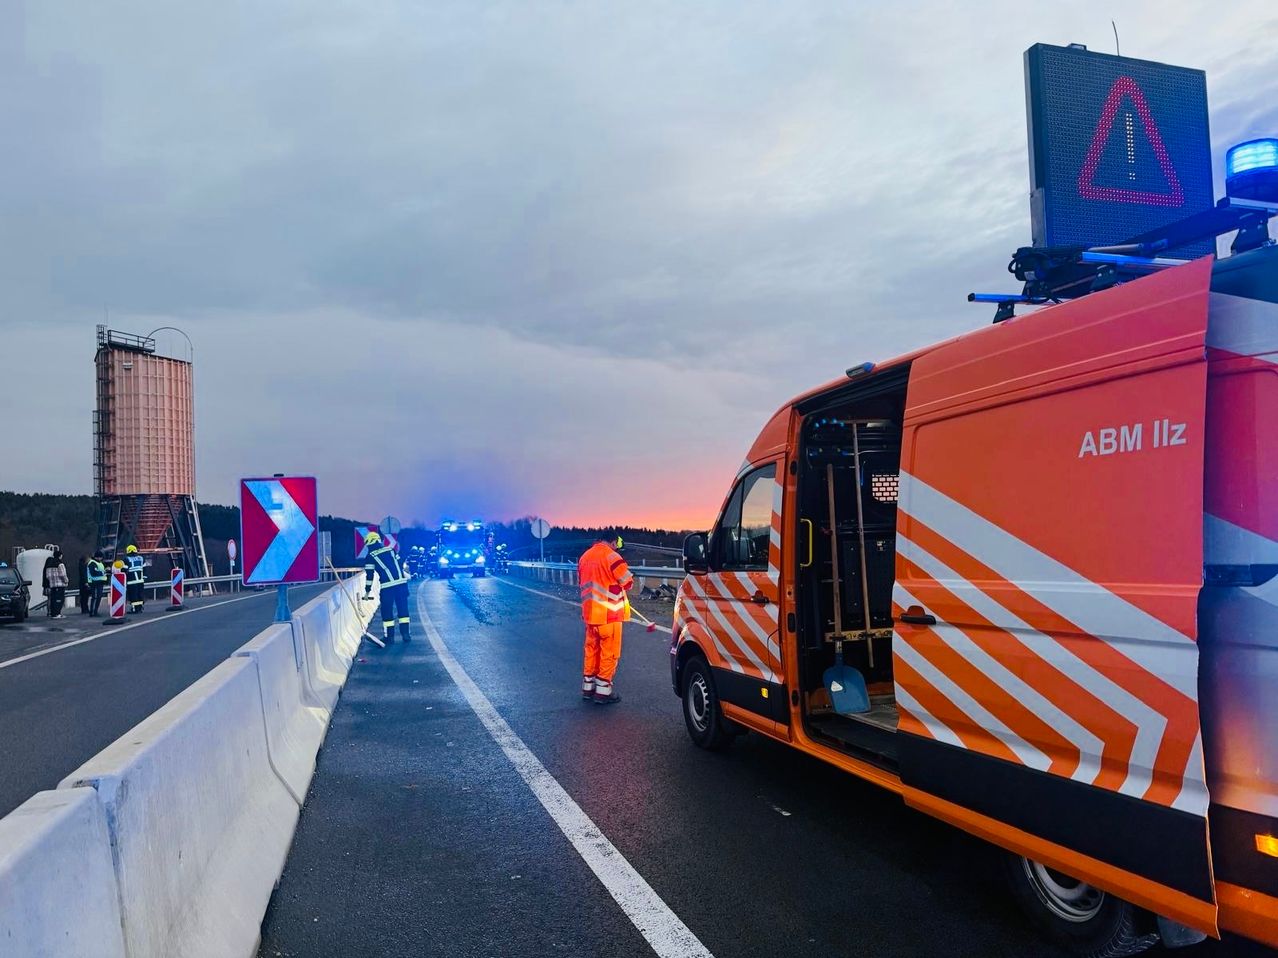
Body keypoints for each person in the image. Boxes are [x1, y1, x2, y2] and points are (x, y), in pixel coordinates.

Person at [577, 533, 633, 705]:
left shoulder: (585, 556)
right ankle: (603, 692)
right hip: (609, 614)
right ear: (613, 542)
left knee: (591, 650)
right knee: (609, 652)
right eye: (617, 543)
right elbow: (627, 582)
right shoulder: (612, 556)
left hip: (590, 614)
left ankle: (588, 688)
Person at [363, 531, 411, 644]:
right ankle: (406, 635)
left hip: (387, 587)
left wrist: (367, 591)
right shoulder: (391, 550)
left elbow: (369, 576)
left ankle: (389, 638)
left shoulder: (370, 556)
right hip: (401, 585)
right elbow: (399, 565)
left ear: (369, 543)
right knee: (403, 610)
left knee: (387, 611)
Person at [43, 548, 69, 619]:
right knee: (59, 600)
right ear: (60, 556)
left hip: (52, 585)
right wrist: (66, 581)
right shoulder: (60, 564)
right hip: (60, 584)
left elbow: (47, 576)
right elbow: (62, 574)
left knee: (53, 599)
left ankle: (53, 613)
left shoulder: (49, 565)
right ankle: (57, 613)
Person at [85, 551, 109, 617]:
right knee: (95, 597)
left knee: (98, 597)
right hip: (94, 582)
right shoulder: (92, 563)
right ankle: (92, 612)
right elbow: (94, 573)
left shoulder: (100, 563)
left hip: (100, 582)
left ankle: (95, 611)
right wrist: (104, 572)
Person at [124, 544, 146, 614]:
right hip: (140, 580)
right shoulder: (141, 558)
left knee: (133, 595)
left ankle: (134, 609)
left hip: (131, 581)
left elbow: (124, 569)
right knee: (140, 594)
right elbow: (144, 569)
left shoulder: (126, 559)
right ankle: (140, 608)